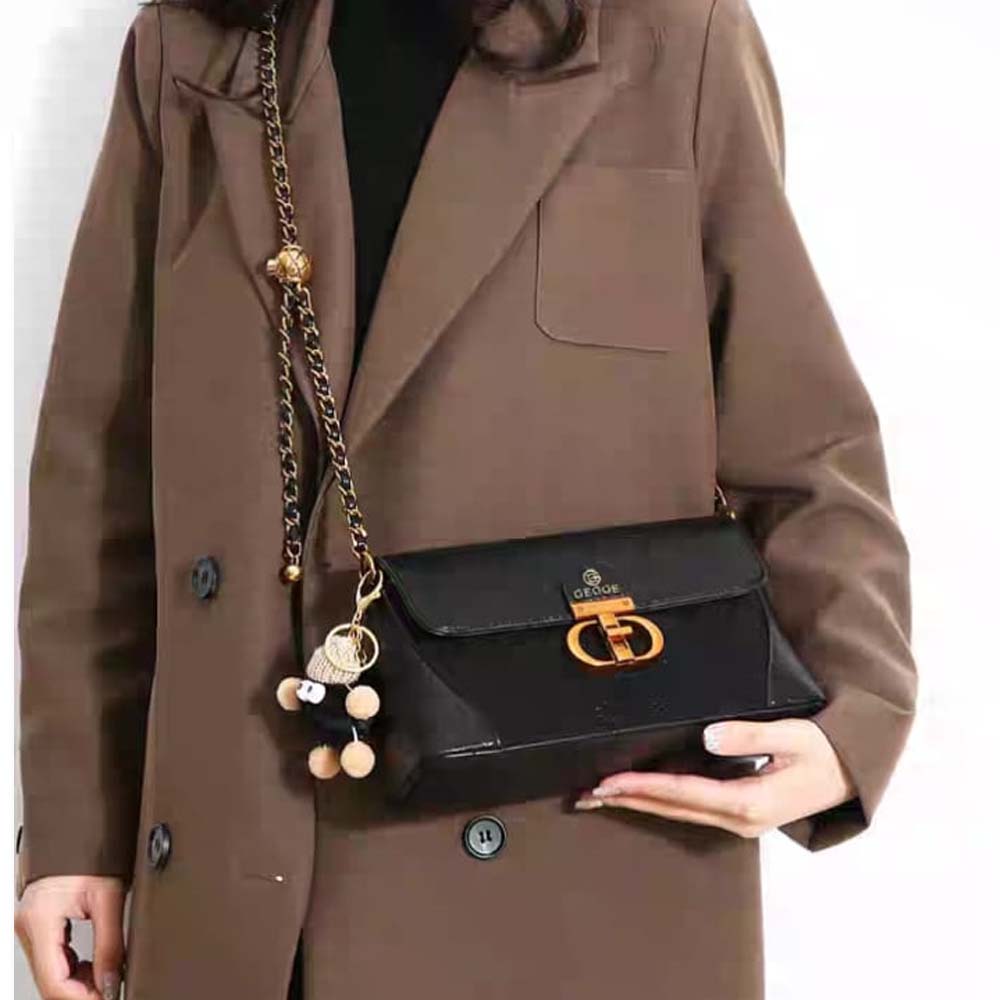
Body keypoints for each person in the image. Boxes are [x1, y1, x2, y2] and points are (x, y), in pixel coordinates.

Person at [14, 1, 917, 998]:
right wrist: (73, 822)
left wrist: (853, 717)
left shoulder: (673, 36)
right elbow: (101, 467)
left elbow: (803, 435)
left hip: (570, 854)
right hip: (243, 858)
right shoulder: (190, 48)